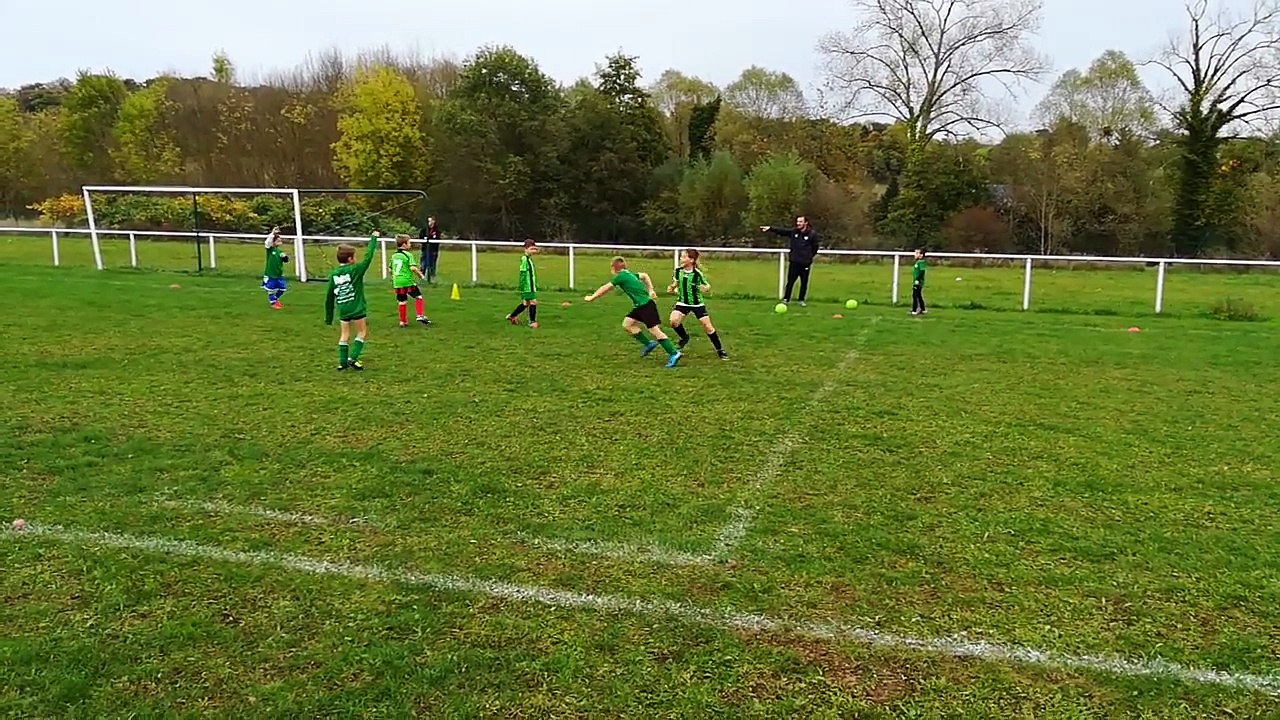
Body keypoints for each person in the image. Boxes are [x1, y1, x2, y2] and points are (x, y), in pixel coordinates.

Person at [584, 256, 682, 368]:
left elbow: (606, 287)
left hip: (646, 306)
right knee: (627, 324)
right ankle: (648, 344)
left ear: (613, 268)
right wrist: (650, 290)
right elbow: (644, 275)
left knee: (655, 331)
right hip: (640, 306)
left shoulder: (621, 276)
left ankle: (674, 353)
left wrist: (592, 297)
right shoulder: (629, 274)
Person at [324, 231, 380, 370]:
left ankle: (342, 363)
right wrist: (374, 238)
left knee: (344, 334)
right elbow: (368, 257)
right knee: (361, 332)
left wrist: (329, 317)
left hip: (343, 308)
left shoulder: (334, 274)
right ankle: (353, 358)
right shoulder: (356, 270)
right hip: (357, 307)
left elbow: (329, 296)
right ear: (350, 259)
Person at [667, 249, 726, 359]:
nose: (681, 259)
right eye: (681, 256)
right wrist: (672, 287)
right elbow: (675, 283)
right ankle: (684, 337)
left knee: (708, 327)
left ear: (691, 260)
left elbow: (707, 286)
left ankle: (720, 350)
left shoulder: (697, 274)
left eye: (684, 257)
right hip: (682, 303)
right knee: (673, 321)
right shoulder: (678, 271)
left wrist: (705, 288)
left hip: (697, 304)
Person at [760, 216, 819, 305]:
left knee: (804, 282)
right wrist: (770, 228)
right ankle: (786, 299)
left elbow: (815, 247)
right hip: (794, 262)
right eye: (797, 221)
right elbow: (782, 231)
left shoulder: (812, 234)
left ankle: (801, 300)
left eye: (800, 222)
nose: (798, 223)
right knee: (790, 281)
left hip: (805, 263)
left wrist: (808, 257)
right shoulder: (794, 232)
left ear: (806, 223)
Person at [390, 234, 430, 328]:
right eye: (409, 243)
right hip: (407, 281)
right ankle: (419, 315)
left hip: (397, 282)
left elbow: (390, 270)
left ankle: (402, 321)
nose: (410, 244)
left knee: (402, 301)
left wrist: (395, 277)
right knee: (418, 297)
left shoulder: (394, 256)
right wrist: (420, 275)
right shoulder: (408, 255)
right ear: (404, 244)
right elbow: (412, 268)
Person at [507, 239, 540, 328]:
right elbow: (523, 273)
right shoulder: (524, 259)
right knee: (533, 302)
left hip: (530, 286)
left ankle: (512, 316)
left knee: (526, 303)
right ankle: (532, 322)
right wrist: (523, 286)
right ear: (526, 249)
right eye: (531, 249)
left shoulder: (528, 259)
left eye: (535, 249)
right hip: (527, 286)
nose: (534, 251)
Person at [261, 226, 289, 309]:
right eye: (278, 241)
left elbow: (286, 261)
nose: (280, 242)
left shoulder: (280, 251)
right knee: (271, 289)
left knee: (282, 289)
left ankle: (275, 299)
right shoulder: (270, 250)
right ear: (273, 242)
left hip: (279, 274)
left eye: (280, 240)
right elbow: (267, 242)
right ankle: (273, 303)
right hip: (270, 274)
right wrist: (273, 233)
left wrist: (285, 257)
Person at [419, 217, 441, 282]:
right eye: (429, 221)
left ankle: (432, 278)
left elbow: (437, 239)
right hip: (425, 250)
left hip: (434, 250)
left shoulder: (437, 230)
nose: (430, 222)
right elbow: (421, 238)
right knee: (423, 264)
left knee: (432, 264)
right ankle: (422, 277)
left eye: (431, 221)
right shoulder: (424, 230)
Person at [911, 248, 928, 315]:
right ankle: (923, 309)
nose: (915, 255)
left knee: (915, 295)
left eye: (917, 253)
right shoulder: (918, 262)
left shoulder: (921, 262)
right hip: (916, 281)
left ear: (921, 255)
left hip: (918, 282)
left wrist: (917, 279)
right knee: (918, 295)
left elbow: (922, 271)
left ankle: (914, 310)